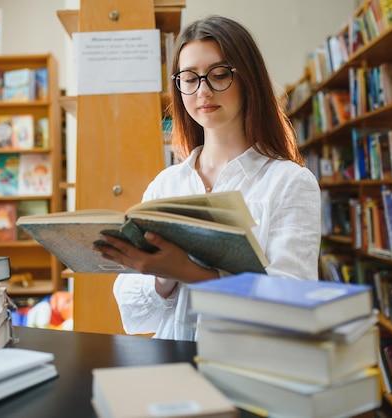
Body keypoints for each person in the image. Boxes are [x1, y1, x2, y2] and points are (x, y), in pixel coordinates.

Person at [94, 15, 321, 341]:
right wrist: (162, 275)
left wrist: (191, 273)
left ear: (248, 79)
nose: (203, 91)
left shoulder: (289, 182)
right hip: (172, 365)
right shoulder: (167, 183)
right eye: (189, 78)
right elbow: (135, 313)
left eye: (218, 75)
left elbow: (292, 304)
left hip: (248, 368)